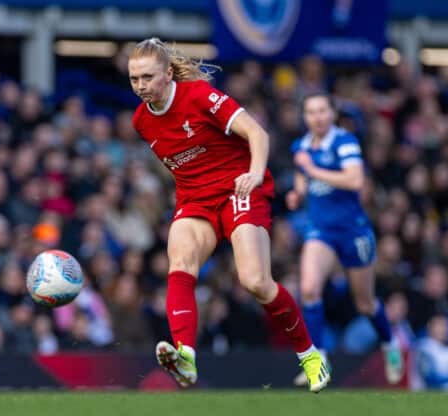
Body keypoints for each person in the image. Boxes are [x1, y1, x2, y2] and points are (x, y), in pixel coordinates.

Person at [129, 38, 329, 392]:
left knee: (254, 281)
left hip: (238, 188)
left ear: (169, 73)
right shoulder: (142, 121)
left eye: (148, 77)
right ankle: (186, 359)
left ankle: (311, 356)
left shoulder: (200, 96)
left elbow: (257, 133)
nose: (141, 86)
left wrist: (254, 173)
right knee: (180, 262)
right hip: (195, 200)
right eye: (134, 79)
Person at [286, 93, 403, 386]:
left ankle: (390, 345)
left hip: (353, 230)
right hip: (320, 230)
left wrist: (312, 171)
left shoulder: (345, 142)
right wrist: (298, 192)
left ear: (332, 113)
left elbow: (355, 180)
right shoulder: (300, 146)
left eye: (322, 110)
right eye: (311, 112)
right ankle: (318, 362)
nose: (317, 117)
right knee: (310, 289)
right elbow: (303, 178)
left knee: (365, 303)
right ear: (305, 117)